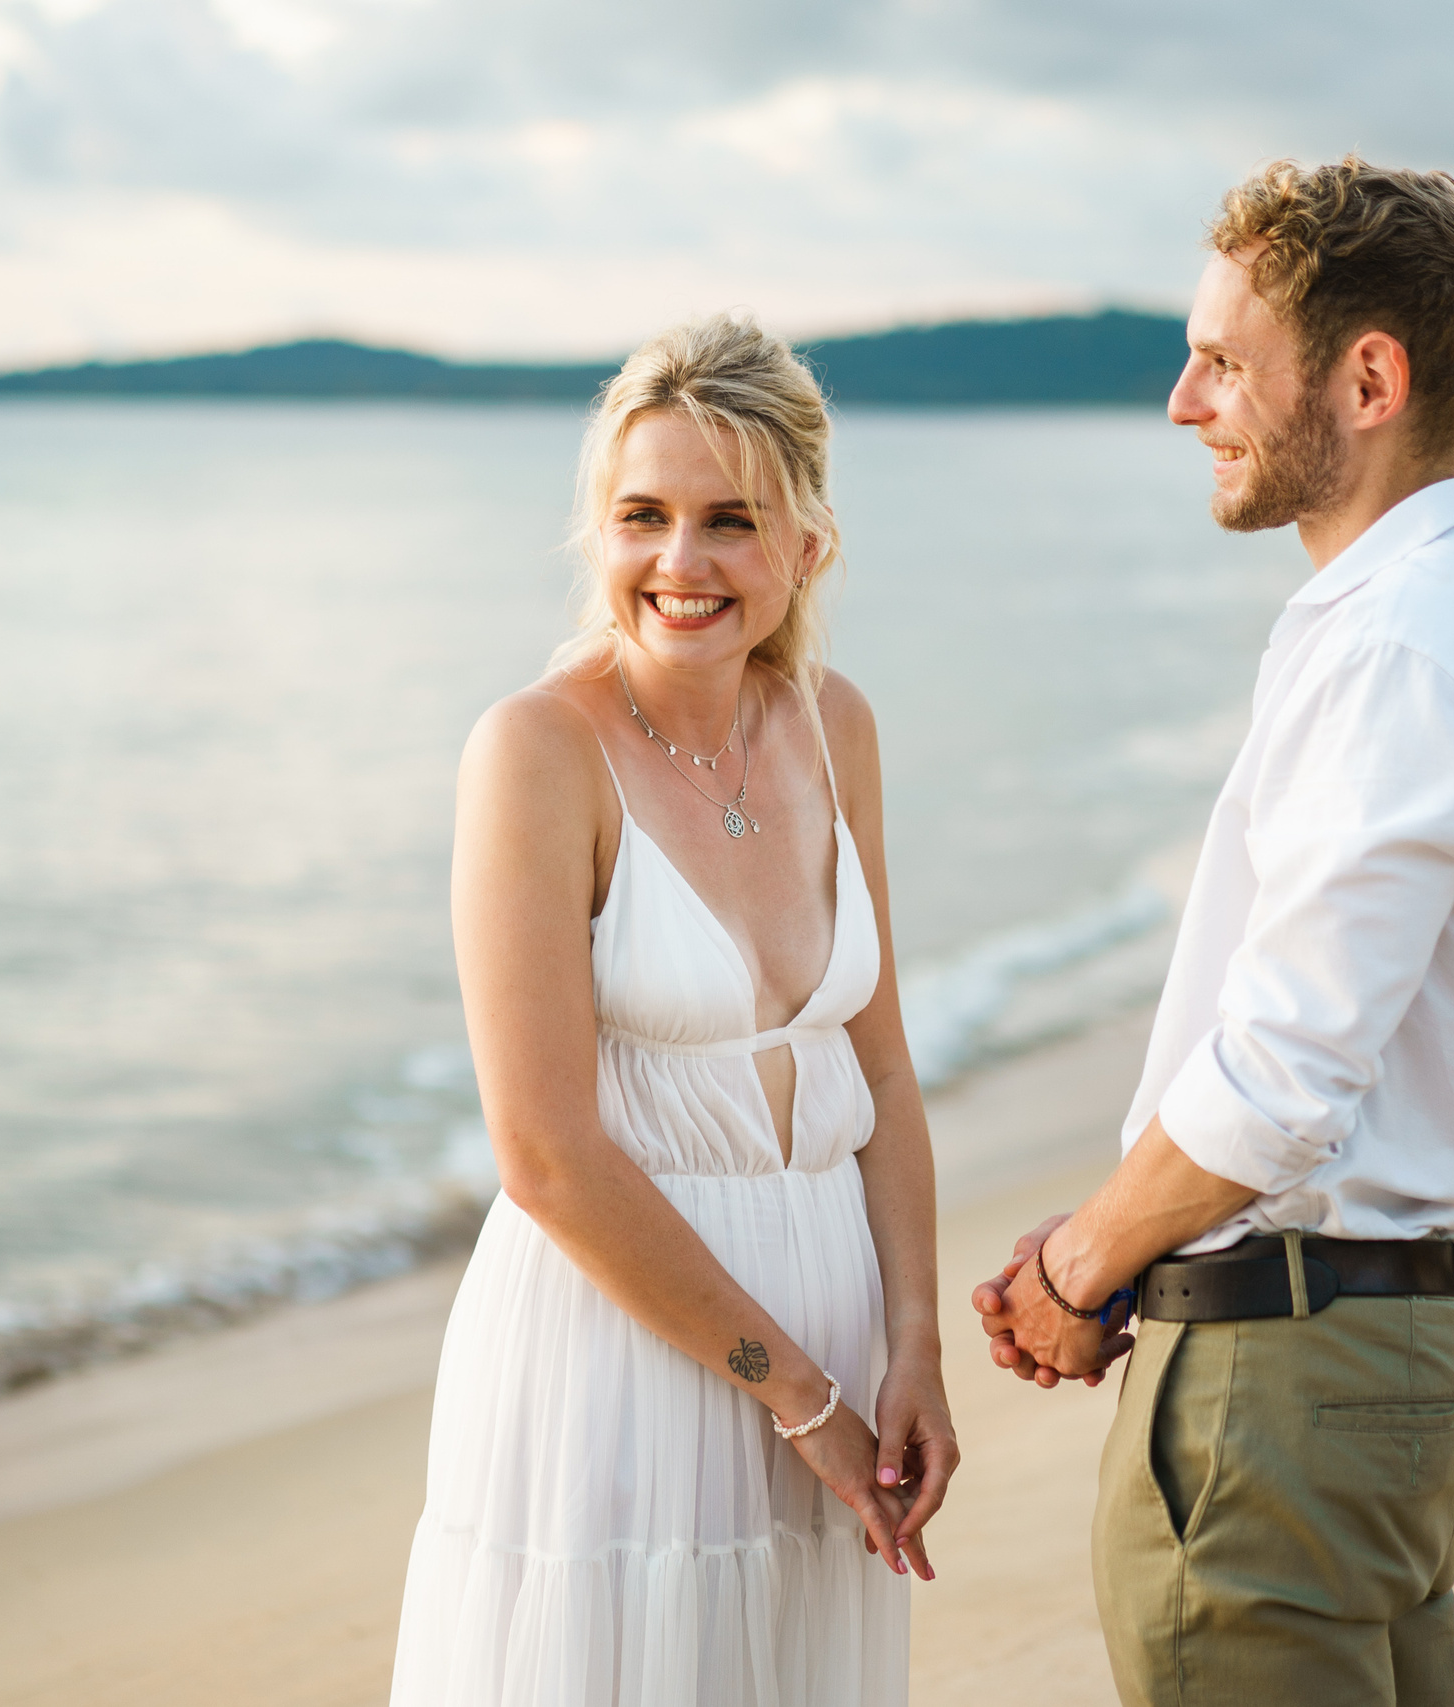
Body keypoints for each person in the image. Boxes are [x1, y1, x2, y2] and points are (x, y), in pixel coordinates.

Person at [972, 157, 1454, 1706]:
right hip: (1380, 1346)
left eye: (1224, 361)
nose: (1186, 402)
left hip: (1288, 1367)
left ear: (1369, 376)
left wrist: (1079, 1265)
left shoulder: (1403, 645)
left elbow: (1284, 1069)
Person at [390, 313, 957, 1706]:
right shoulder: (537, 750)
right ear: (598, 530)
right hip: (619, 1363)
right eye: (642, 515)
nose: (680, 565)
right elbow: (545, 1157)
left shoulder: (839, 727)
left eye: (731, 522)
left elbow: (878, 1069)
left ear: (809, 542)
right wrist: (804, 1398)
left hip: (831, 1338)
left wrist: (914, 1348)